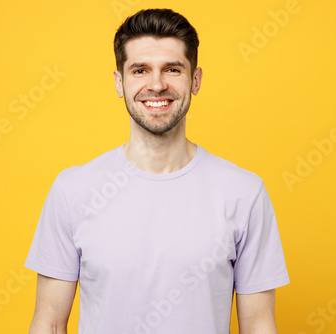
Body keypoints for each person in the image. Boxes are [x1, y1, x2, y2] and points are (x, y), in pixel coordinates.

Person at [25, 8, 289, 334]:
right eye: (140, 70)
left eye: (172, 69)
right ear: (119, 82)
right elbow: (48, 323)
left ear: (195, 80)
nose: (156, 84)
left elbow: (259, 326)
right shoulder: (73, 190)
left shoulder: (244, 193)